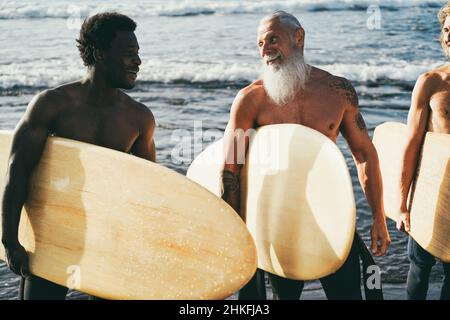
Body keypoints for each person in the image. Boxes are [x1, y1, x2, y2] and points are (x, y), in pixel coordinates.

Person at [220, 10, 391, 300]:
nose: (265, 49)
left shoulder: (337, 91)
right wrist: (235, 232)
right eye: (260, 43)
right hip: (276, 218)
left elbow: (364, 155)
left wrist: (378, 218)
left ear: (299, 37)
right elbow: (231, 168)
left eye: (273, 39)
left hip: (331, 213)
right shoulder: (251, 99)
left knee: (349, 294)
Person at [1, 12, 156, 300]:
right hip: (52, 233)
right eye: (129, 54)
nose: (138, 61)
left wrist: (142, 247)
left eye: (138, 53)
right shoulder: (52, 105)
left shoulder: (139, 118)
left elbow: (146, 190)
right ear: (100, 54)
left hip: (108, 235)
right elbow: (17, 172)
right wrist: (10, 240)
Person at [396, 2, 450, 300]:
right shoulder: (431, 82)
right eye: (445, 30)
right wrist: (403, 204)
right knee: (419, 270)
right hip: (430, 193)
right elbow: (411, 145)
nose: (448, 37)